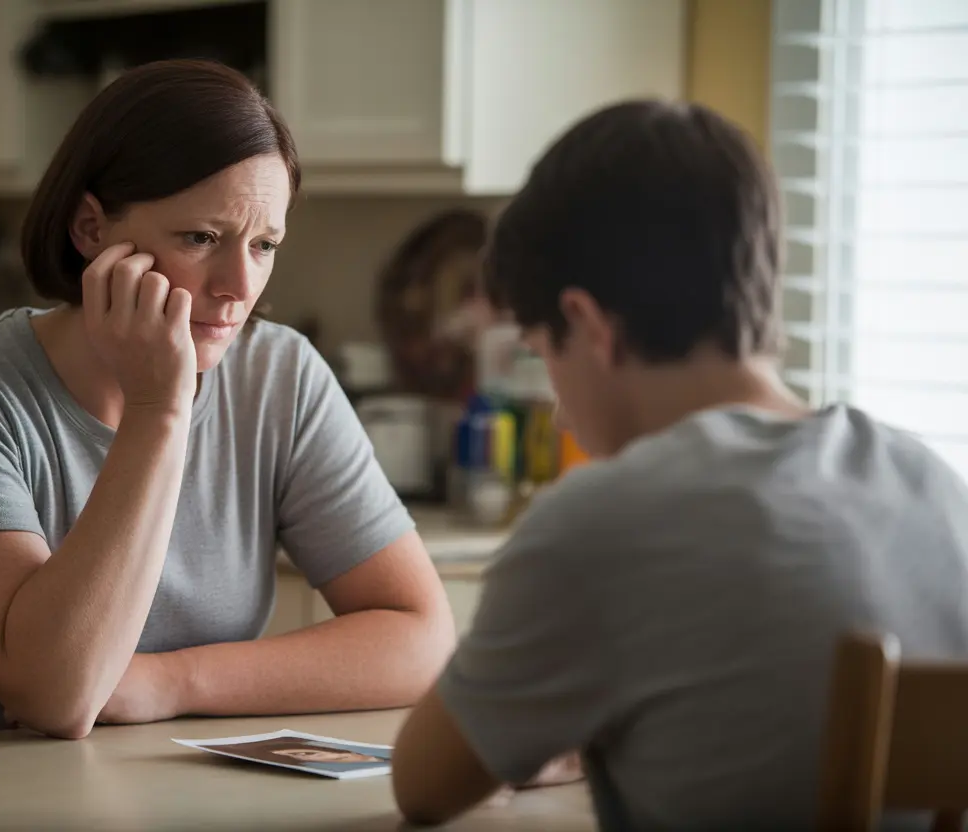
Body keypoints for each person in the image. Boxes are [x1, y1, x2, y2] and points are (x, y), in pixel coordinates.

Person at [390, 99, 968, 829]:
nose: (560, 412)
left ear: (590, 325)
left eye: (542, 354)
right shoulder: (933, 485)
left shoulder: (603, 521)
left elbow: (423, 786)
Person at [0, 59, 455, 742]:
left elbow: (422, 639)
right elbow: (56, 696)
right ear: (90, 229)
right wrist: (159, 408)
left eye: (264, 245)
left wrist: (170, 682)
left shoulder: (281, 376)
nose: (240, 285)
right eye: (201, 238)